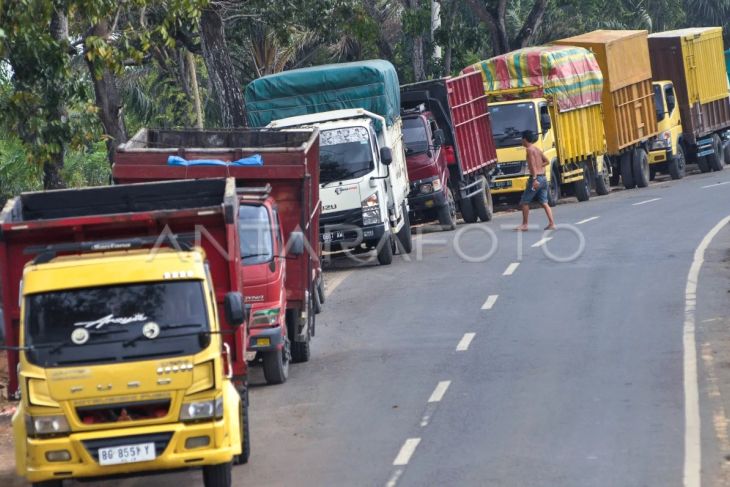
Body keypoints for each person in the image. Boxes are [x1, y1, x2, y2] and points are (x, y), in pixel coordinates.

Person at [516, 130, 556, 231]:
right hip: (543, 178)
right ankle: (552, 223)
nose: (521, 140)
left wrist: (534, 179)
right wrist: (539, 167)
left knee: (524, 202)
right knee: (544, 202)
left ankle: (525, 225)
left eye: (521, 138)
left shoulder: (529, 150)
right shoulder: (537, 149)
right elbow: (546, 161)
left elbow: (533, 165)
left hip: (536, 179)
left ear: (525, 139)